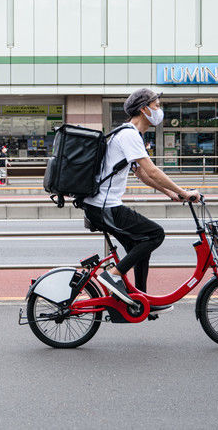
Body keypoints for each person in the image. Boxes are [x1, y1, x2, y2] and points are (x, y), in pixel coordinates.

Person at [82, 88, 200, 319]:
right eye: (156, 106)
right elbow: (152, 171)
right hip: (105, 207)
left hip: (101, 206)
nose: (159, 111)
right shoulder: (129, 135)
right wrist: (184, 192)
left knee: (140, 244)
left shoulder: (129, 134)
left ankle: (139, 301)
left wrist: (170, 193)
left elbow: (142, 174)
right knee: (155, 234)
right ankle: (113, 275)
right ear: (144, 109)